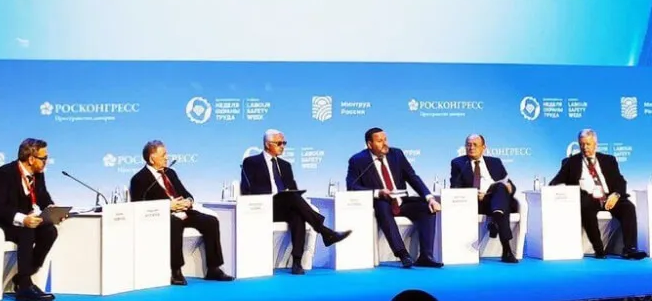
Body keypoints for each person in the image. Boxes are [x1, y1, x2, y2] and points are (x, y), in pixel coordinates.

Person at [240, 129, 352, 274]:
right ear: (268, 144)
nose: (283, 146)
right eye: (279, 143)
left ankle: (297, 262)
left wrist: (289, 194)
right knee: (292, 199)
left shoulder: (285, 165)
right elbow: (246, 189)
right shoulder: (251, 162)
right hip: (263, 206)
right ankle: (325, 231)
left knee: (297, 214)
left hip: (283, 206)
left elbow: (293, 190)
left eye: (284, 143)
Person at [128, 140, 234, 285]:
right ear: (152, 158)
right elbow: (139, 206)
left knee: (211, 221)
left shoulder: (170, 173)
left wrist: (188, 201)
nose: (167, 157)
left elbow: (186, 193)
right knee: (175, 223)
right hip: (162, 216)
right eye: (163, 155)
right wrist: (168, 206)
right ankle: (176, 271)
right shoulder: (139, 179)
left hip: (184, 211)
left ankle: (213, 268)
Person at [0, 138, 63, 301]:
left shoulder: (38, 175)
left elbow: (43, 197)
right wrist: (23, 219)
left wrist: (53, 211)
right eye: (43, 158)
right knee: (26, 231)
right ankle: (24, 287)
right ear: (31, 159)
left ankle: (23, 277)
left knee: (49, 231)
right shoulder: (3, 174)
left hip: (16, 222)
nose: (46, 161)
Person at [346, 127, 443, 268]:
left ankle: (426, 256)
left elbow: (412, 177)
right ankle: (403, 254)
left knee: (427, 208)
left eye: (385, 139)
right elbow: (352, 186)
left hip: (401, 201)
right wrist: (378, 192)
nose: (385, 143)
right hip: (381, 202)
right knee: (382, 205)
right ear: (369, 144)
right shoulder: (358, 160)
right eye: (380, 141)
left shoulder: (396, 154)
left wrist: (430, 198)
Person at [549, 129, 647, 260]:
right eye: (582, 144)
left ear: (595, 144)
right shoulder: (571, 162)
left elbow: (620, 181)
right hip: (588, 198)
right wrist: (565, 190)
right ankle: (599, 249)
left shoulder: (609, 160)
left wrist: (616, 195)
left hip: (609, 197)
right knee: (586, 205)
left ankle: (630, 249)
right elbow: (555, 182)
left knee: (628, 207)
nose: (584, 147)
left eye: (588, 144)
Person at [450, 134, 519, 263]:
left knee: (499, 187)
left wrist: (510, 187)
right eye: (468, 145)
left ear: (484, 147)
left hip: (495, 198)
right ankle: (506, 249)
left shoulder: (495, 162)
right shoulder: (458, 163)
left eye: (475, 145)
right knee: (501, 208)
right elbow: (455, 187)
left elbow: (509, 184)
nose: (471, 147)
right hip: (476, 202)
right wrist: (473, 194)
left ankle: (496, 218)